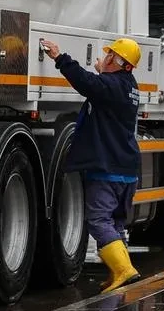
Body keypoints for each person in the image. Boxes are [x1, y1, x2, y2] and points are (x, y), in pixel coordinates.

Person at [39, 36, 142, 293]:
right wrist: (103, 75)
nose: (105, 58)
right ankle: (119, 271)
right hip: (126, 169)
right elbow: (102, 88)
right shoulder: (128, 86)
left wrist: (59, 57)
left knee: (97, 219)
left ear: (121, 63)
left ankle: (124, 270)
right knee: (115, 223)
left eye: (111, 56)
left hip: (108, 168)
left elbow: (86, 83)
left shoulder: (111, 87)